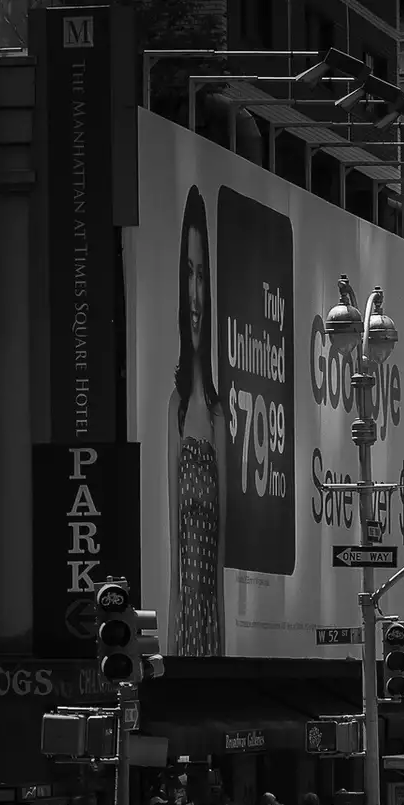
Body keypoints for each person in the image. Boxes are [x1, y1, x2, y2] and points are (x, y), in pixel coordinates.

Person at [168, 185, 225, 657]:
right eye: (188, 274)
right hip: (183, 629)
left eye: (202, 275)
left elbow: (221, 550)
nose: (194, 292)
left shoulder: (217, 409)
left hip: (210, 628)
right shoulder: (178, 406)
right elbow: (172, 548)